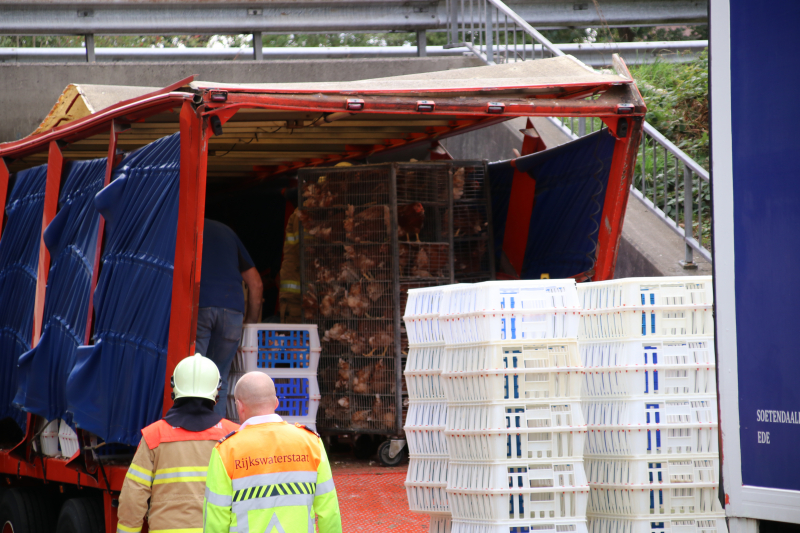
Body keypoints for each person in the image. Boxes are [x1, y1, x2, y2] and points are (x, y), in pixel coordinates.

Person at [203, 372, 342, 533]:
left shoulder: (226, 450)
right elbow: (329, 510)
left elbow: (216, 518)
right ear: (276, 403)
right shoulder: (311, 442)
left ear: (239, 406)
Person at [117, 353, 240, 533]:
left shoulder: (154, 436)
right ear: (217, 390)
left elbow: (134, 495)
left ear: (174, 388)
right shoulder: (233, 435)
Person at [197, 219, 263, 416]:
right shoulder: (227, 232)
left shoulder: (183, 228)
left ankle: (194, 433)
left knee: (194, 375)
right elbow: (256, 284)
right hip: (232, 311)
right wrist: (250, 323)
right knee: (219, 378)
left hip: (200, 306)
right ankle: (216, 434)